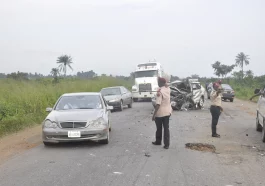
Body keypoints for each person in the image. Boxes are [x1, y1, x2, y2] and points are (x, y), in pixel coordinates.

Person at [152, 77, 172, 149]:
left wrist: (154, 115)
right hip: (168, 111)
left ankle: (158, 141)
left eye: (158, 82)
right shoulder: (168, 89)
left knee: (159, 128)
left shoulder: (159, 92)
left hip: (160, 113)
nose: (157, 83)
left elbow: (158, 105)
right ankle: (167, 144)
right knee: (166, 128)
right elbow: (166, 85)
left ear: (161, 83)